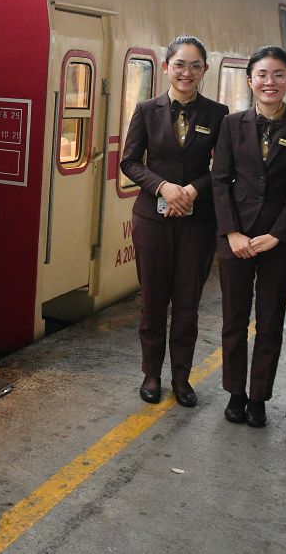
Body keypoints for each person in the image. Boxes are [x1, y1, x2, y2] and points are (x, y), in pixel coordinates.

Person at [120, 35, 228, 408]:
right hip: (152, 218)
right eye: (179, 64)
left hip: (198, 222)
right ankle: (152, 373)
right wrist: (163, 187)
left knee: (187, 303)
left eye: (195, 66)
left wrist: (193, 191)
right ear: (166, 67)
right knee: (152, 300)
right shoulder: (146, 110)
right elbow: (130, 161)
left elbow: (222, 168)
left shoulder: (218, 114)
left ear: (204, 71)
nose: (186, 72)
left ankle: (181, 376)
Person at [211, 47, 286, 428]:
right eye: (262, 74)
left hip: (278, 242)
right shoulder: (232, 125)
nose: (270, 82)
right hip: (235, 238)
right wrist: (231, 232)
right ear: (250, 80)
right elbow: (220, 181)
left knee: (270, 320)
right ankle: (235, 392)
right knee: (234, 319)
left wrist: (278, 235)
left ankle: (259, 398)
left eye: (278, 74)